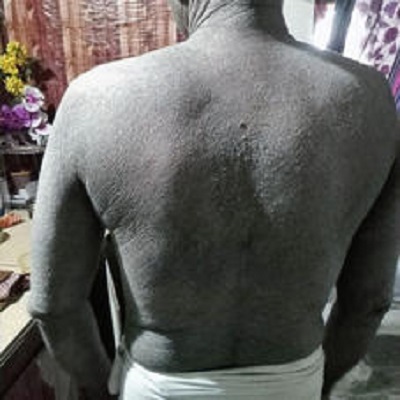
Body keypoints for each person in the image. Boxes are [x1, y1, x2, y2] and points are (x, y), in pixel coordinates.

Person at [28, 0, 400, 399]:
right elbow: (369, 301)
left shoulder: (95, 100)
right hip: (294, 382)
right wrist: (317, 386)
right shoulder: (369, 99)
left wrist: (103, 388)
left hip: (156, 387)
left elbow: (55, 307)